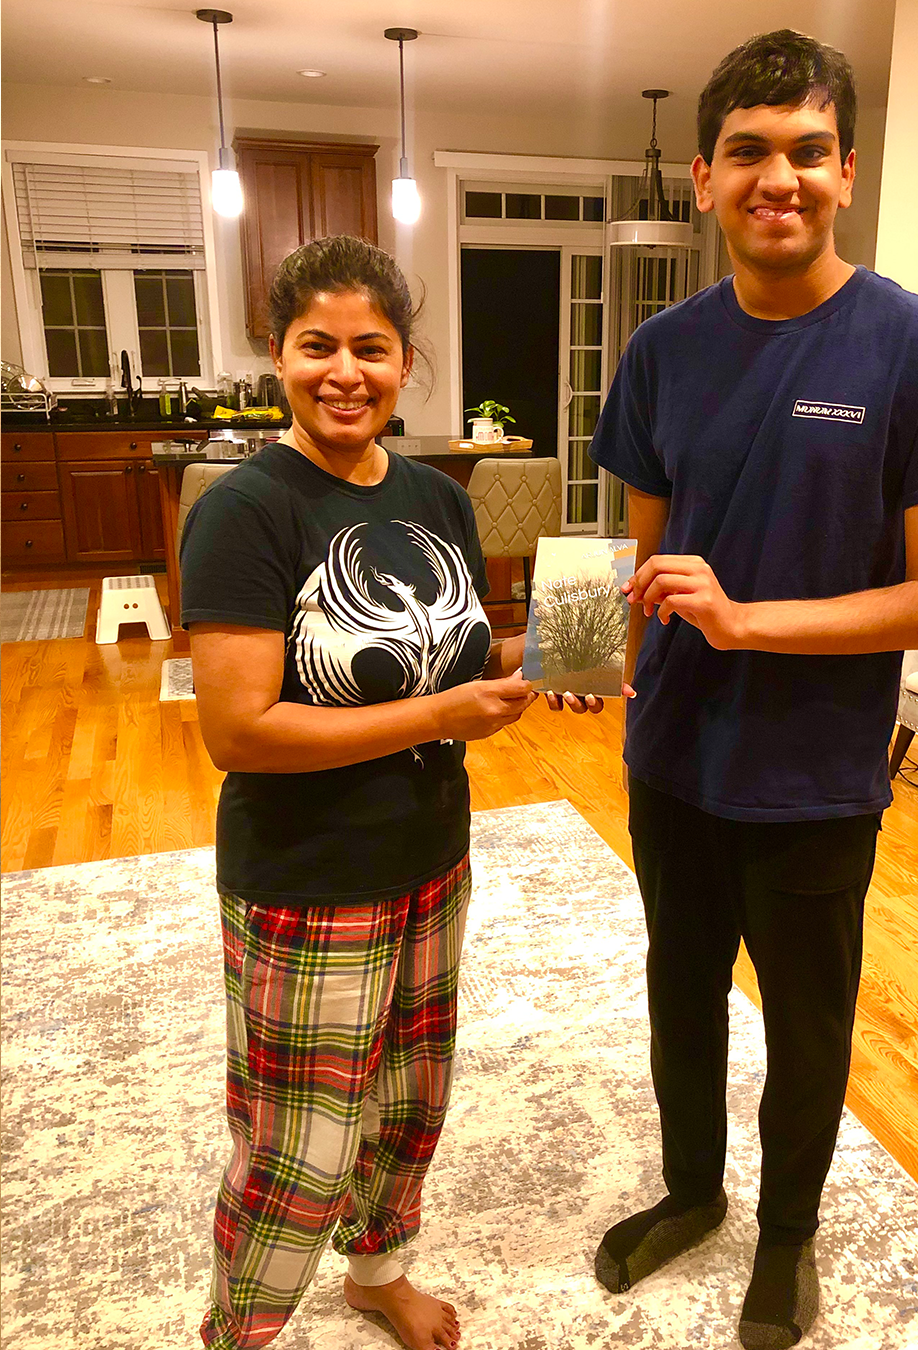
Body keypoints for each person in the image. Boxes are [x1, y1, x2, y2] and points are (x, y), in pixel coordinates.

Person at [588, 30, 918, 1350]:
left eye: (808, 151)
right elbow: (645, 564)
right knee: (680, 995)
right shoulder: (662, 350)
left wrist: (745, 622)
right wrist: (588, 660)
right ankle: (693, 1194)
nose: (780, 177)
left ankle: (786, 1236)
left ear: (845, 172)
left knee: (808, 1021)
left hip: (815, 772)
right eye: (750, 152)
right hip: (672, 760)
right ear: (704, 179)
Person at [182, 235, 598, 1350]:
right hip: (306, 875)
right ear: (278, 355)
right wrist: (440, 715)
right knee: (297, 1146)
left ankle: (376, 1274)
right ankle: (238, 1334)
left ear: (406, 361)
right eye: (316, 346)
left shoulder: (434, 497)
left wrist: (550, 660)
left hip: (429, 854)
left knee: (408, 1105)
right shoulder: (245, 510)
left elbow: (451, 657)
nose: (344, 372)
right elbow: (239, 732)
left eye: (370, 348)